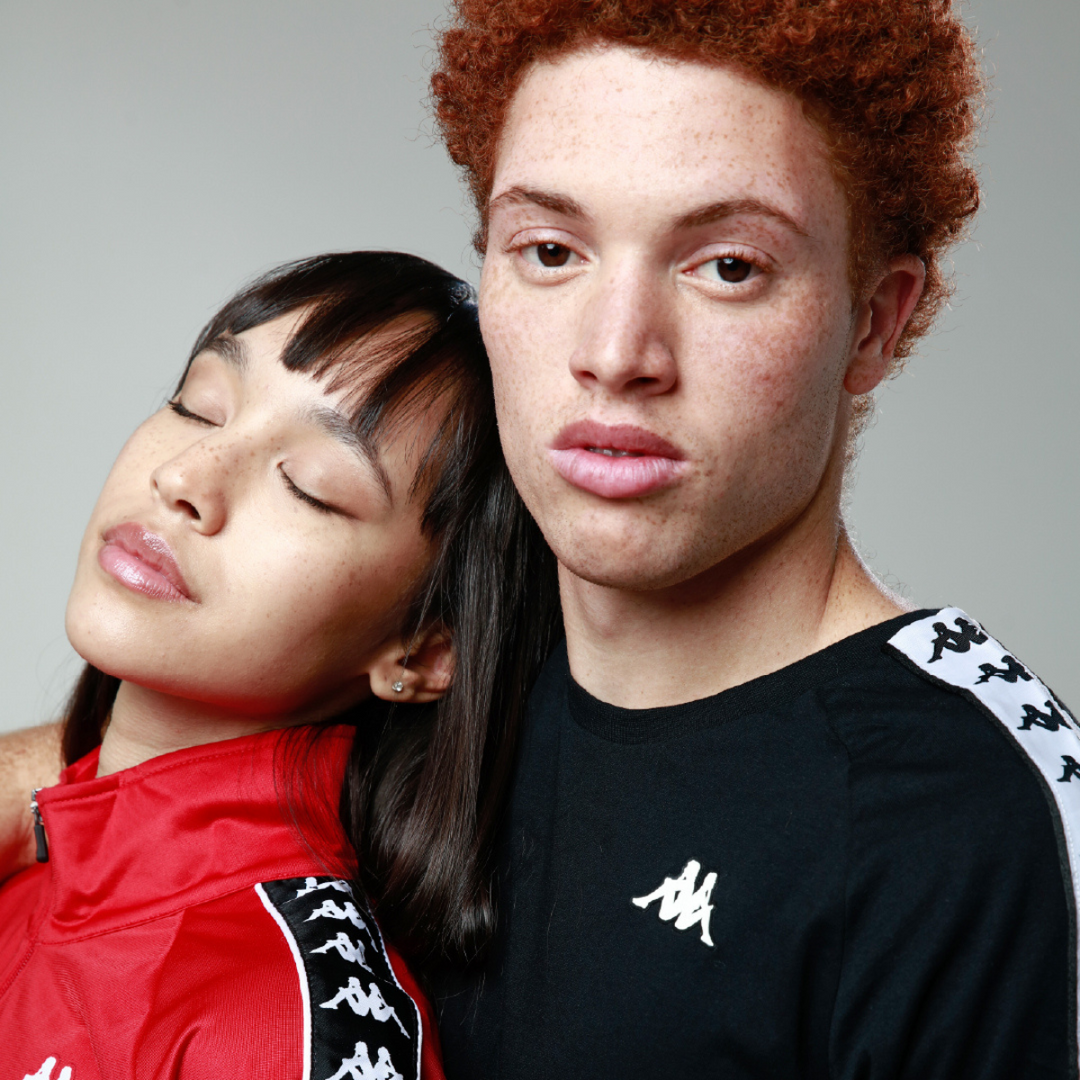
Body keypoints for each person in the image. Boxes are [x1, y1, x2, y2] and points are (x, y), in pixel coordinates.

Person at [422, 2, 1079, 1078]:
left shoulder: (966, 813)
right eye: (550, 250)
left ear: (875, 321)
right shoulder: (424, 670)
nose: (616, 353)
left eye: (728, 266)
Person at [0, 251, 559, 1080]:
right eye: (198, 407)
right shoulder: (34, 875)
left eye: (308, 485)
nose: (184, 478)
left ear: (423, 651)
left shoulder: (289, 1027)